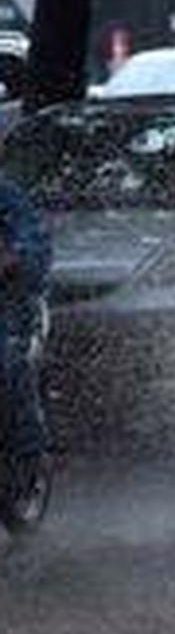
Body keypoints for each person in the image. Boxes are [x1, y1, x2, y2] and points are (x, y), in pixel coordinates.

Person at [0, 171, 52, 467]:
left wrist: (13, 258)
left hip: (9, 301)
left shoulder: (6, 195)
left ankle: (27, 453)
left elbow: (34, 242)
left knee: (8, 363)